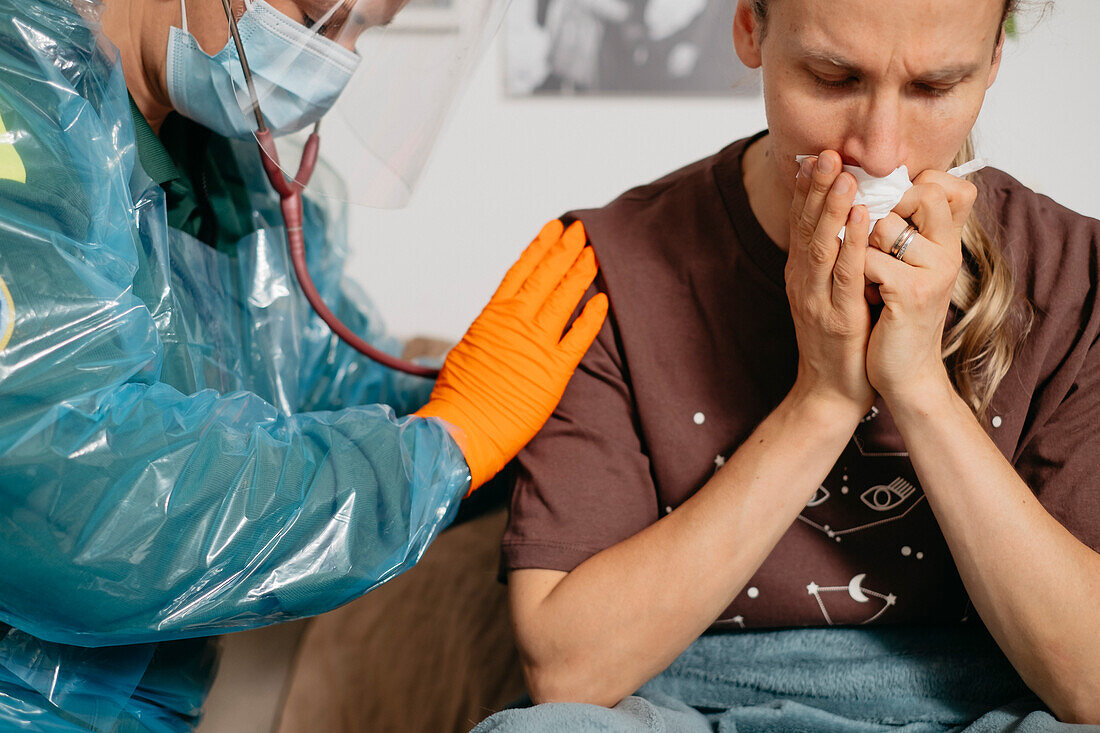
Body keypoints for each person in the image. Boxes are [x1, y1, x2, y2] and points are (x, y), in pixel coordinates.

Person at [477, 0, 1100, 730]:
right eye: (834, 77)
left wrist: (920, 390)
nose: (881, 148)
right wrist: (825, 397)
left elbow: (1089, 685)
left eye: (936, 88)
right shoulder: (607, 270)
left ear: (993, 61)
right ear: (749, 29)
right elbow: (569, 668)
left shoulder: (1074, 277)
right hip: (689, 702)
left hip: (990, 703)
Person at [0, 0, 608, 729]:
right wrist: (442, 449)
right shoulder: (22, 105)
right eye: (324, 15)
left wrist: (537, 410)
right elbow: (79, 496)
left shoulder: (227, 175)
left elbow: (313, 391)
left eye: (364, 31)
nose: (335, 57)